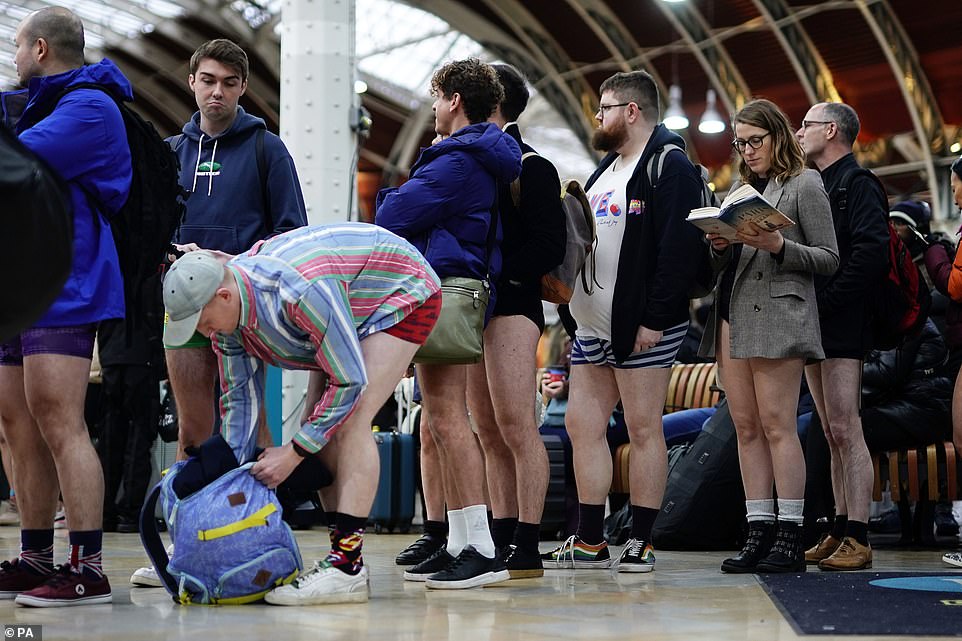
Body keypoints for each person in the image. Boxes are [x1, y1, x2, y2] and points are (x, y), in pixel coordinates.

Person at [161, 223, 441, 604]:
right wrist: (223, 470)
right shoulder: (227, 323)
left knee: (350, 420)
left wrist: (293, 453)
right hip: (342, 300)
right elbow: (239, 405)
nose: (204, 332)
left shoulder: (297, 291)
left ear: (223, 296)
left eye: (202, 322)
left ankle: (347, 567)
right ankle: (339, 558)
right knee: (319, 429)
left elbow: (349, 383)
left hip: (398, 289)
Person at [130, 39, 307, 587]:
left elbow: (293, 233)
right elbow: (145, 231)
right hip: (181, 309)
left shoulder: (266, 150)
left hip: (240, 309)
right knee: (192, 432)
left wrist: (239, 260)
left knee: (240, 432)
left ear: (243, 88)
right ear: (191, 82)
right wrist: (169, 257)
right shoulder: (169, 152)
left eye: (229, 83)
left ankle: (241, 538)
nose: (217, 92)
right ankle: (188, 544)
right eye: (208, 80)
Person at [540, 70, 704, 573]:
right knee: (580, 424)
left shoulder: (668, 164)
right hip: (592, 326)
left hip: (642, 326)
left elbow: (679, 249)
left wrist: (654, 318)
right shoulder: (605, 170)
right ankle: (590, 538)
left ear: (631, 111)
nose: (599, 118)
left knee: (642, 427)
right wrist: (570, 313)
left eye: (605, 109)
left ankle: (642, 539)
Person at [0, 6, 132, 606]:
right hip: (18, 279)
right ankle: (35, 557)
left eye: (20, 48)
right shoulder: (43, 105)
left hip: (65, 280)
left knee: (60, 419)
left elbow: (14, 164)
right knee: (17, 422)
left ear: (42, 50)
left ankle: (88, 566)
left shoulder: (89, 108)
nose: (16, 58)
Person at [376, 58, 521, 589]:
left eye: (436, 98)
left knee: (449, 419)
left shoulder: (457, 161)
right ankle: (463, 540)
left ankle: (480, 547)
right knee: (440, 418)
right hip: (449, 285)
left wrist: (392, 193)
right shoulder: (472, 156)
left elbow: (392, 216)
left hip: (446, 287)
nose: (433, 108)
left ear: (455, 99)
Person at [698, 99, 838, 574]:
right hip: (734, 314)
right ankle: (757, 528)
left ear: (778, 136)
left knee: (778, 424)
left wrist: (779, 244)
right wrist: (719, 242)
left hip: (780, 314)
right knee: (746, 426)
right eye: (740, 142)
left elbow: (828, 257)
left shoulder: (804, 183)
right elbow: (727, 265)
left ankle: (790, 532)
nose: (747, 150)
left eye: (754, 141)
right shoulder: (739, 190)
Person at [465, 63, 566, 579]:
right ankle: (500, 536)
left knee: (516, 426)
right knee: (485, 427)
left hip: (512, 305)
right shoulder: (475, 161)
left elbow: (551, 243)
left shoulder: (532, 166)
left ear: (494, 99)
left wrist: (498, 279)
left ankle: (527, 543)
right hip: (475, 308)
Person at [796, 101, 890, 571]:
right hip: (818, 321)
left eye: (806, 125)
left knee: (846, 427)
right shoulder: (815, 183)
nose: (798, 133)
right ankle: (838, 527)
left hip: (844, 322)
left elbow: (871, 254)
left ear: (831, 130)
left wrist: (828, 302)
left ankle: (859, 533)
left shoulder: (858, 184)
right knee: (830, 431)